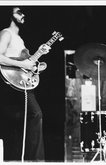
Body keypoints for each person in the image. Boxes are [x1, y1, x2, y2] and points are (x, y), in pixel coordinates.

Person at [0, 7, 50, 161]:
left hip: (21, 81)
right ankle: (36, 160)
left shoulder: (19, 39)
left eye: (23, 13)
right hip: (11, 81)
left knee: (20, 121)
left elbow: (25, 63)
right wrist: (28, 66)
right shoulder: (6, 33)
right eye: (18, 12)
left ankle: (21, 158)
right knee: (36, 114)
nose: (23, 15)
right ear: (10, 14)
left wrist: (37, 58)